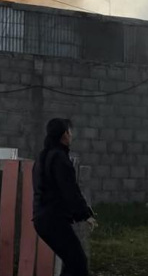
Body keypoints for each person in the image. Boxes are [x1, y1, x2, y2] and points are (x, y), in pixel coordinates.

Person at [33, 118, 97, 276]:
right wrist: (85, 214)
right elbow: (69, 190)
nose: (72, 135)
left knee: (72, 262)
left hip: (42, 219)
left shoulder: (42, 157)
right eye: (70, 131)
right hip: (53, 220)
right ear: (65, 135)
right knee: (79, 262)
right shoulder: (59, 158)